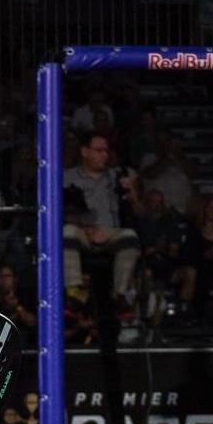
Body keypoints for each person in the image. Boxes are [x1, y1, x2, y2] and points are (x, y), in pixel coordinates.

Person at [62, 131, 144, 314]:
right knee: (66, 232)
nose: (104, 155)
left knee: (130, 236)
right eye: (99, 150)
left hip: (110, 233)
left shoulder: (117, 176)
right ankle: (74, 292)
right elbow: (61, 213)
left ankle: (120, 295)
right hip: (82, 232)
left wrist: (133, 196)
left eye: (106, 151)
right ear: (85, 152)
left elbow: (141, 213)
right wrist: (88, 229)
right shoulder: (67, 177)